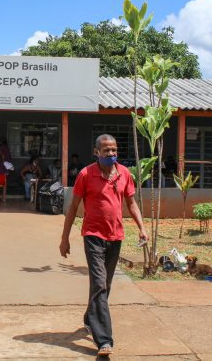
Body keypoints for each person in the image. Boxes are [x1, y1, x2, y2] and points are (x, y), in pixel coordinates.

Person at [60, 134, 148, 357]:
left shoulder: (124, 173)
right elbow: (73, 207)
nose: (111, 154)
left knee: (105, 285)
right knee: (99, 283)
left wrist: (142, 227)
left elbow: (131, 203)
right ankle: (104, 340)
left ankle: (91, 316)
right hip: (93, 235)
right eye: (106, 150)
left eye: (114, 150)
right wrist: (64, 238)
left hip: (115, 236)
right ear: (96, 152)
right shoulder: (85, 174)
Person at [0, 137, 11, 203]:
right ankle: (4, 198)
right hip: (5, 169)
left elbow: (3, 157)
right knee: (4, 184)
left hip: (0, 169)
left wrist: (4, 165)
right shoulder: (7, 148)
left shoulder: (2, 148)